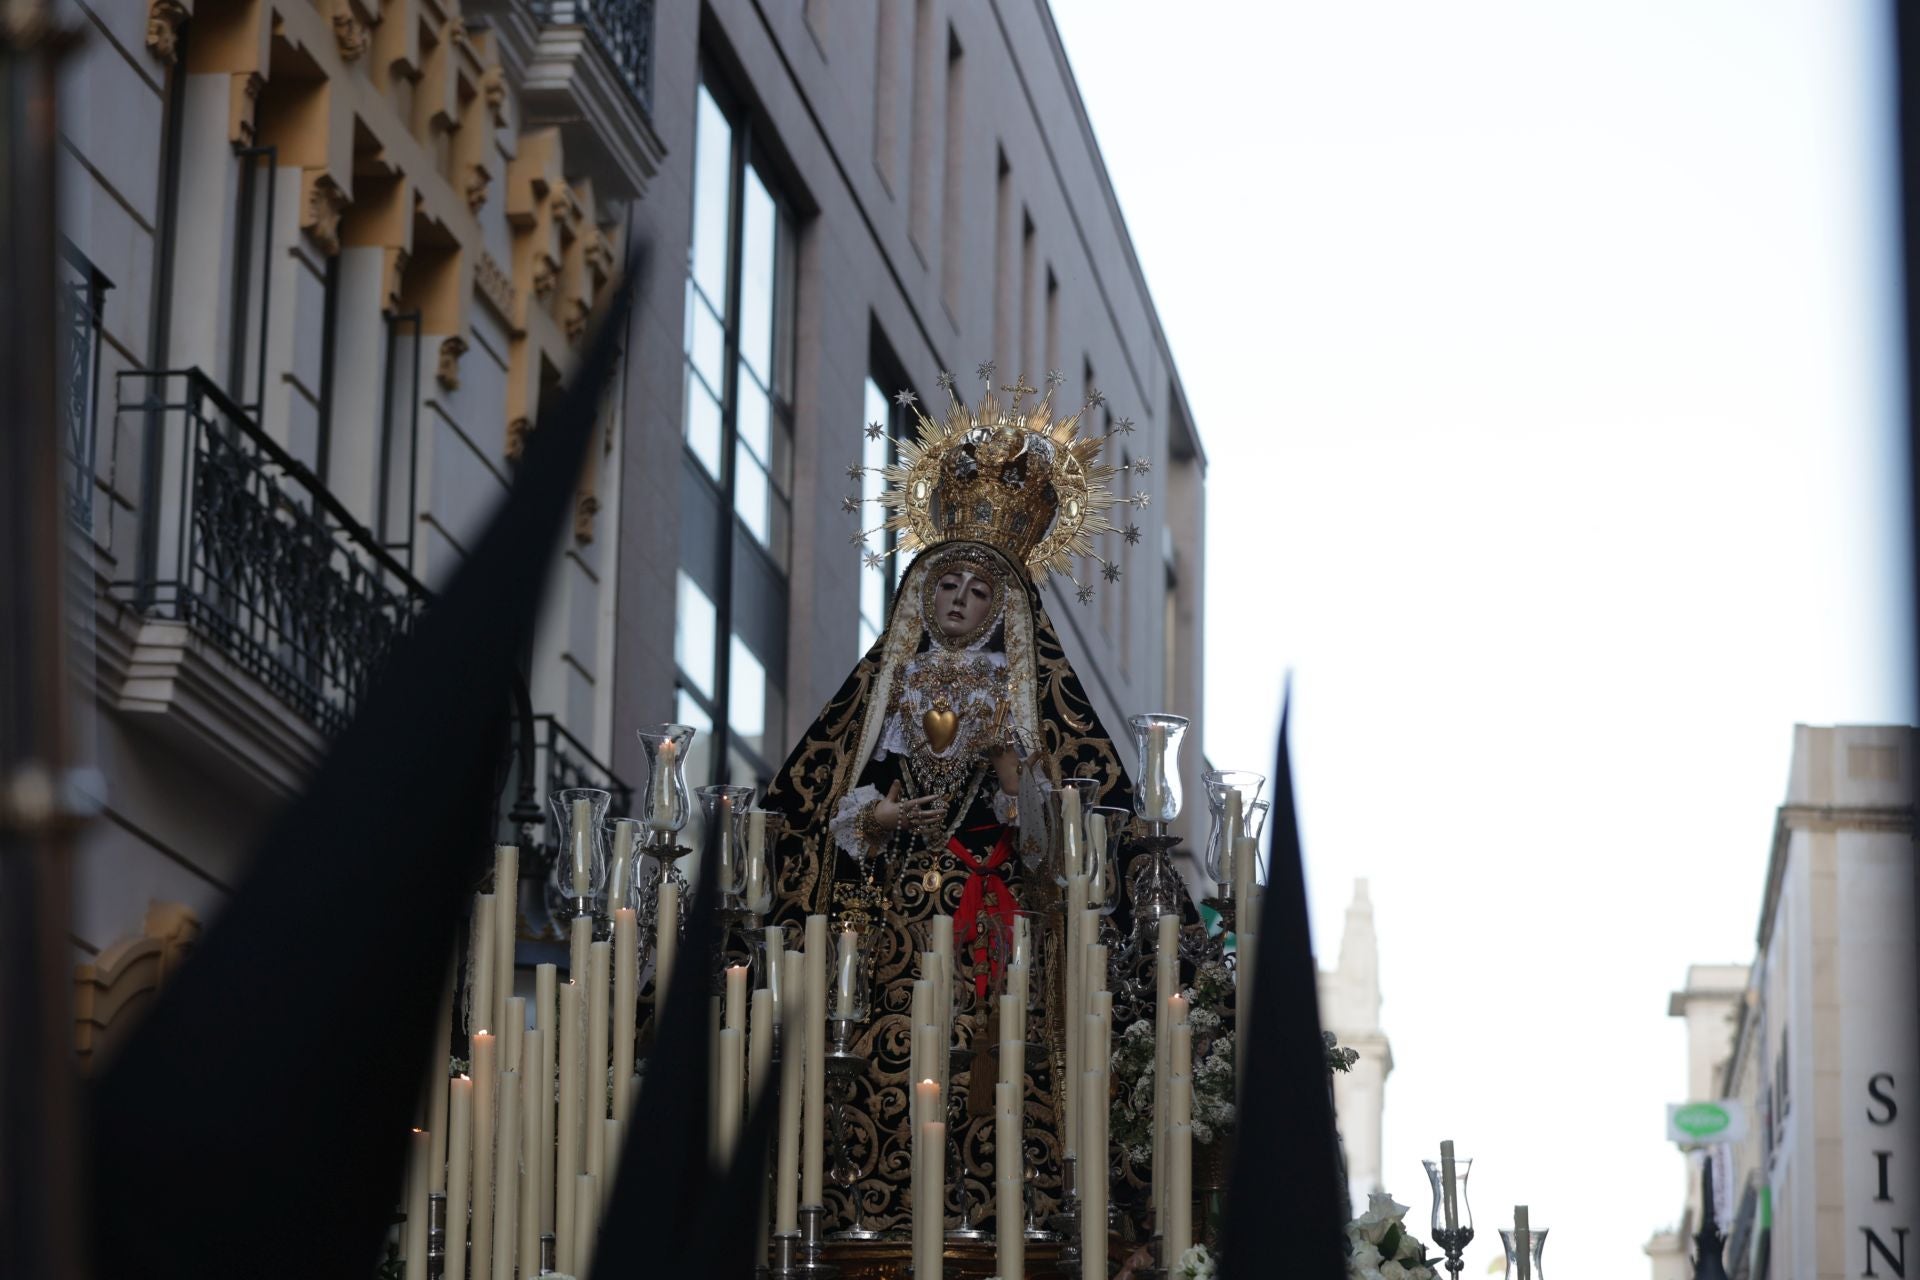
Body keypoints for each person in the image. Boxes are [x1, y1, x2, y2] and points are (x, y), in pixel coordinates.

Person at [764, 380, 1138, 1234]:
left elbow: (1066, 839)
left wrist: (1017, 786)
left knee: (993, 1069)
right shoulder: (885, 690)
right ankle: (875, 1203)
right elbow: (830, 797)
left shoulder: (1025, 694)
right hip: (892, 920)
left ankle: (1000, 1210)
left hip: (993, 923)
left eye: (978, 590)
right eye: (947, 587)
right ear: (920, 597)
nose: (960, 601)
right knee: (883, 1060)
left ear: (1005, 606)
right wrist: (880, 819)